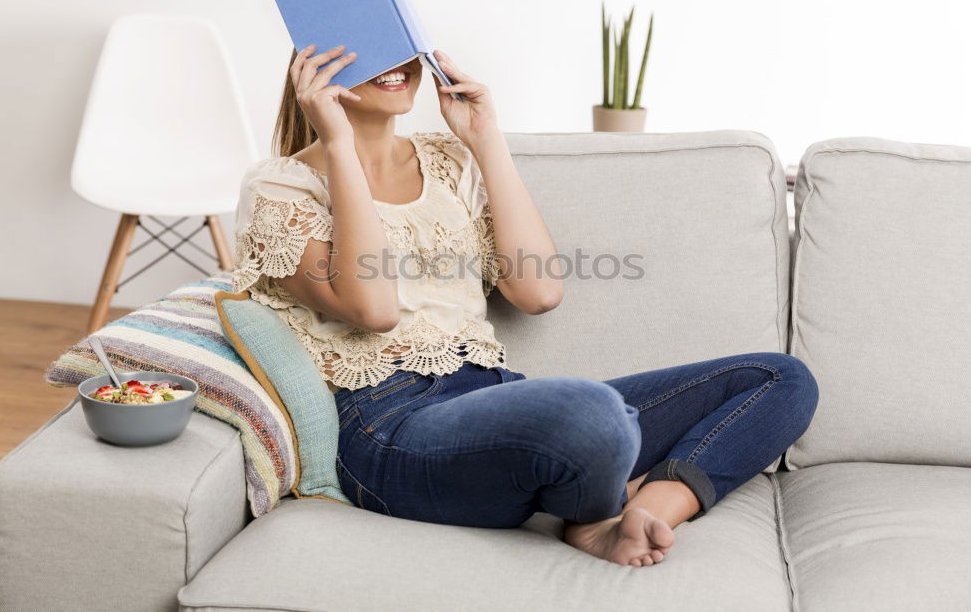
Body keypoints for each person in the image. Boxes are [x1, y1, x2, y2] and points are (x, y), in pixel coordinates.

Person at [231, 43, 819, 568]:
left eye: (401, 42)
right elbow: (376, 308)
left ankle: (642, 512)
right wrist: (336, 143)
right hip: (390, 428)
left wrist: (486, 141)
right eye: (365, 47)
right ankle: (596, 491)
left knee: (782, 378)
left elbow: (538, 291)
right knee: (591, 413)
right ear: (314, 69)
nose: (394, 63)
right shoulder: (279, 187)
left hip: (491, 394)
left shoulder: (447, 161)